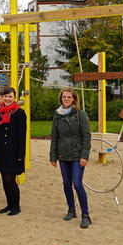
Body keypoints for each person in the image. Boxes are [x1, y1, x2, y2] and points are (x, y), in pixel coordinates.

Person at [50, 87, 92, 228]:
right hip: (63, 155)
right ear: (61, 98)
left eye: (69, 97)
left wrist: (84, 155)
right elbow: (54, 137)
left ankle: (85, 215)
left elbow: (86, 136)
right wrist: (53, 156)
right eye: (64, 97)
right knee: (67, 183)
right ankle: (71, 210)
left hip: (77, 155)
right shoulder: (57, 115)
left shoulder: (80, 115)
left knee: (78, 184)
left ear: (74, 99)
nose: (66, 99)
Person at [0, 87, 26, 216]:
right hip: (0, 150)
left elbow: (22, 136)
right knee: (4, 179)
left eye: (10, 96)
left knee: (10, 179)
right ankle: (9, 204)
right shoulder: (0, 112)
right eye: (5, 96)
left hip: (13, 151)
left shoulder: (20, 113)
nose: (7, 99)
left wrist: (21, 155)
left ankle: (16, 206)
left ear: (14, 98)